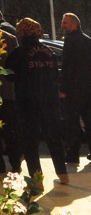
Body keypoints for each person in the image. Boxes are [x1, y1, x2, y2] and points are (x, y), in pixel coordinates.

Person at [6, 18, 68, 187]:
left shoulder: (19, 53)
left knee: (30, 142)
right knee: (54, 138)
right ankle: (63, 174)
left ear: (21, 33)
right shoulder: (49, 51)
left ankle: (36, 180)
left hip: (27, 102)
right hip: (50, 101)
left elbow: (8, 75)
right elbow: (56, 75)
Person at [59, 13, 91, 165]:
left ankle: (72, 154)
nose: (63, 25)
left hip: (73, 88)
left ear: (74, 24)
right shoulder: (87, 40)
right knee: (90, 121)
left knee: (71, 122)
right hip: (88, 87)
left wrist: (63, 88)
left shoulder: (70, 41)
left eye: (65, 23)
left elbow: (67, 66)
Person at [0, 29, 22, 173]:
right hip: (8, 92)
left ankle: (1, 165)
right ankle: (15, 163)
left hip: (6, 92)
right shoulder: (10, 38)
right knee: (11, 131)